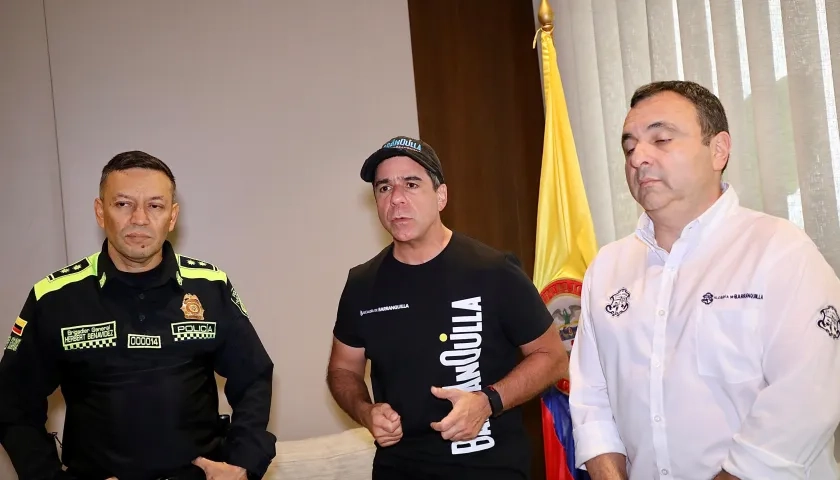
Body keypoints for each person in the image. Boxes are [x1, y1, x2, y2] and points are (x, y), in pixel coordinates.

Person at [569, 80, 840, 479]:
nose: (638, 157)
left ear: (718, 150)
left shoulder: (779, 250)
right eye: (629, 147)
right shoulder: (608, 268)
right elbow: (592, 398)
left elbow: (806, 396)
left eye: (660, 139)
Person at [0, 151, 276, 480]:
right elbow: (12, 400)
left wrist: (243, 463)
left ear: (172, 217)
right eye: (123, 204)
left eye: (155, 206)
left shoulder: (210, 286)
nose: (140, 219)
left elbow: (254, 377)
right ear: (100, 212)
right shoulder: (55, 296)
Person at [325, 136, 568, 480]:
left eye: (411, 184)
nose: (396, 199)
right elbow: (343, 371)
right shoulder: (362, 285)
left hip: (490, 468)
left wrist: (487, 402)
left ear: (441, 196)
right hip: (400, 469)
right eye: (384, 188)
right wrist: (365, 412)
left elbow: (553, 357)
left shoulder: (493, 271)